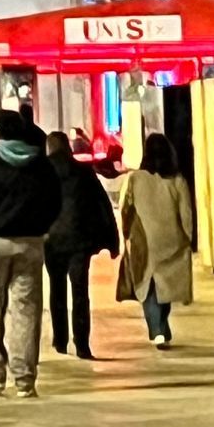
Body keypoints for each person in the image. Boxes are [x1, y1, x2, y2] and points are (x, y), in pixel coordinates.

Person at [0, 109, 59, 398]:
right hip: (30, 242)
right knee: (26, 310)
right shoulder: (41, 165)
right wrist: (42, 228)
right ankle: (24, 378)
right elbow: (55, 202)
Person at [44, 130, 120, 361]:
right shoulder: (83, 172)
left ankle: (60, 339)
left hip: (52, 240)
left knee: (57, 289)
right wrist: (111, 239)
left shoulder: (42, 173)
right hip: (79, 240)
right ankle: (82, 344)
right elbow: (101, 204)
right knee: (80, 291)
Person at [121, 131, 197, 348]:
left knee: (148, 287)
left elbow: (127, 209)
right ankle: (161, 326)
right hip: (171, 241)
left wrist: (126, 234)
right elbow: (186, 214)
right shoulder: (177, 180)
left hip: (145, 240)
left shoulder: (135, 179)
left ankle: (158, 330)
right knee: (164, 287)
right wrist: (187, 239)